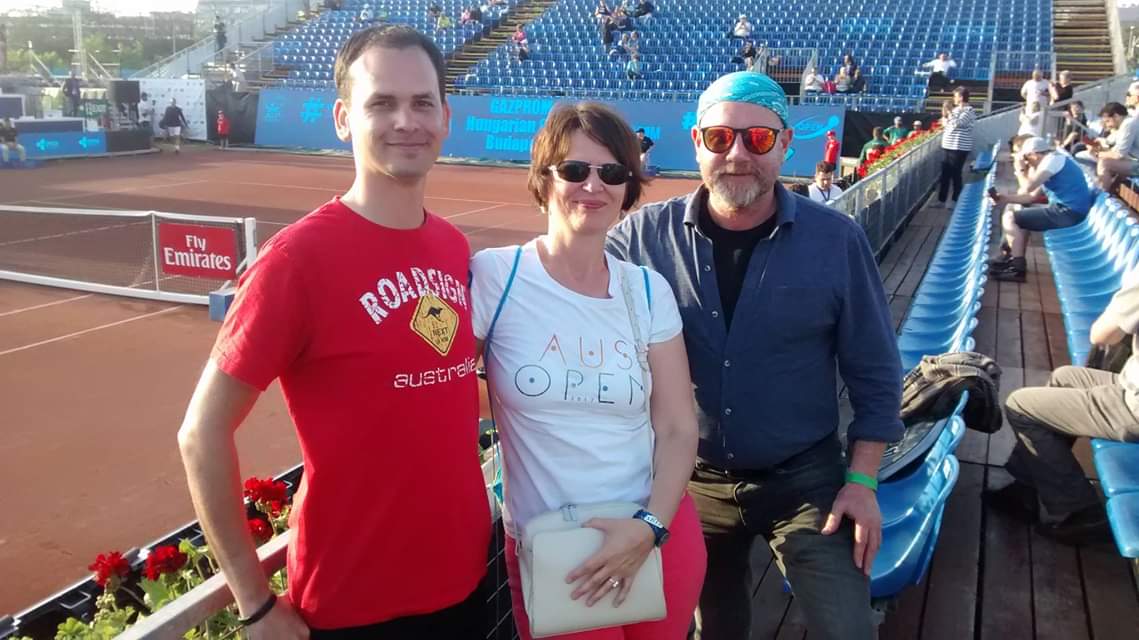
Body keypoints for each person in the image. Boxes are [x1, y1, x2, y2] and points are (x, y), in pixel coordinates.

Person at [177, 25, 491, 640]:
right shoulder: (296, 261)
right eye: (382, 102)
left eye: (423, 102)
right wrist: (253, 602)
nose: (406, 121)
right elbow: (201, 433)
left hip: (464, 584)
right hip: (351, 606)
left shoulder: (453, 247)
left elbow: (439, 389)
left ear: (446, 118)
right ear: (344, 118)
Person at [606, 71, 903, 640]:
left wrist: (863, 482)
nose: (738, 154)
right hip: (691, 481)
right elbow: (568, 282)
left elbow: (875, 370)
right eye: (720, 138)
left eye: (758, 139)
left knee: (847, 630)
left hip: (807, 481)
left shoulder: (836, 239)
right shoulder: (642, 238)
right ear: (697, 142)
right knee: (717, 626)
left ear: (786, 143)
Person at [471, 101, 706, 640]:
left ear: (628, 186)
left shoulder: (647, 290)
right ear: (544, 178)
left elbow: (677, 426)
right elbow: (442, 388)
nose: (593, 186)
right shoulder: (496, 277)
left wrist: (649, 527)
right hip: (558, 552)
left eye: (612, 172)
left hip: (657, 531)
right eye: (574, 169)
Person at [986, 272, 1139, 543]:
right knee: (1064, 377)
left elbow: (1102, 334)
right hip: (1129, 382)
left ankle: (1080, 511)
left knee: (1020, 406)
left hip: (1133, 406)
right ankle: (1026, 488)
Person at [988, 136, 1094, 283]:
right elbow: (1030, 197)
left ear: (1034, 154)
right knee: (1018, 216)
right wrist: (1004, 198)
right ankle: (1014, 260)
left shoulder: (1052, 161)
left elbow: (1027, 187)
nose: (1027, 162)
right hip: (1067, 210)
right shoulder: (1054, 161)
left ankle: (1017, 268)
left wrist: (1019, 168)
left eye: (1027, 158)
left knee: (1010, 218)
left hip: (1068, 212)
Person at [936, 86, 976, 208]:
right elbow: (946, 123)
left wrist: (949, 114)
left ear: (961, 97)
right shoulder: (956, 110)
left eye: (956, 96)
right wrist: (947, 115)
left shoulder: (969, 111)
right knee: (945, 173)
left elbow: (959, 123)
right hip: (948, 145)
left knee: (955, 174)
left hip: (959, 147)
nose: (954, 98)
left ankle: (955, 199)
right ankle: (941, 200)